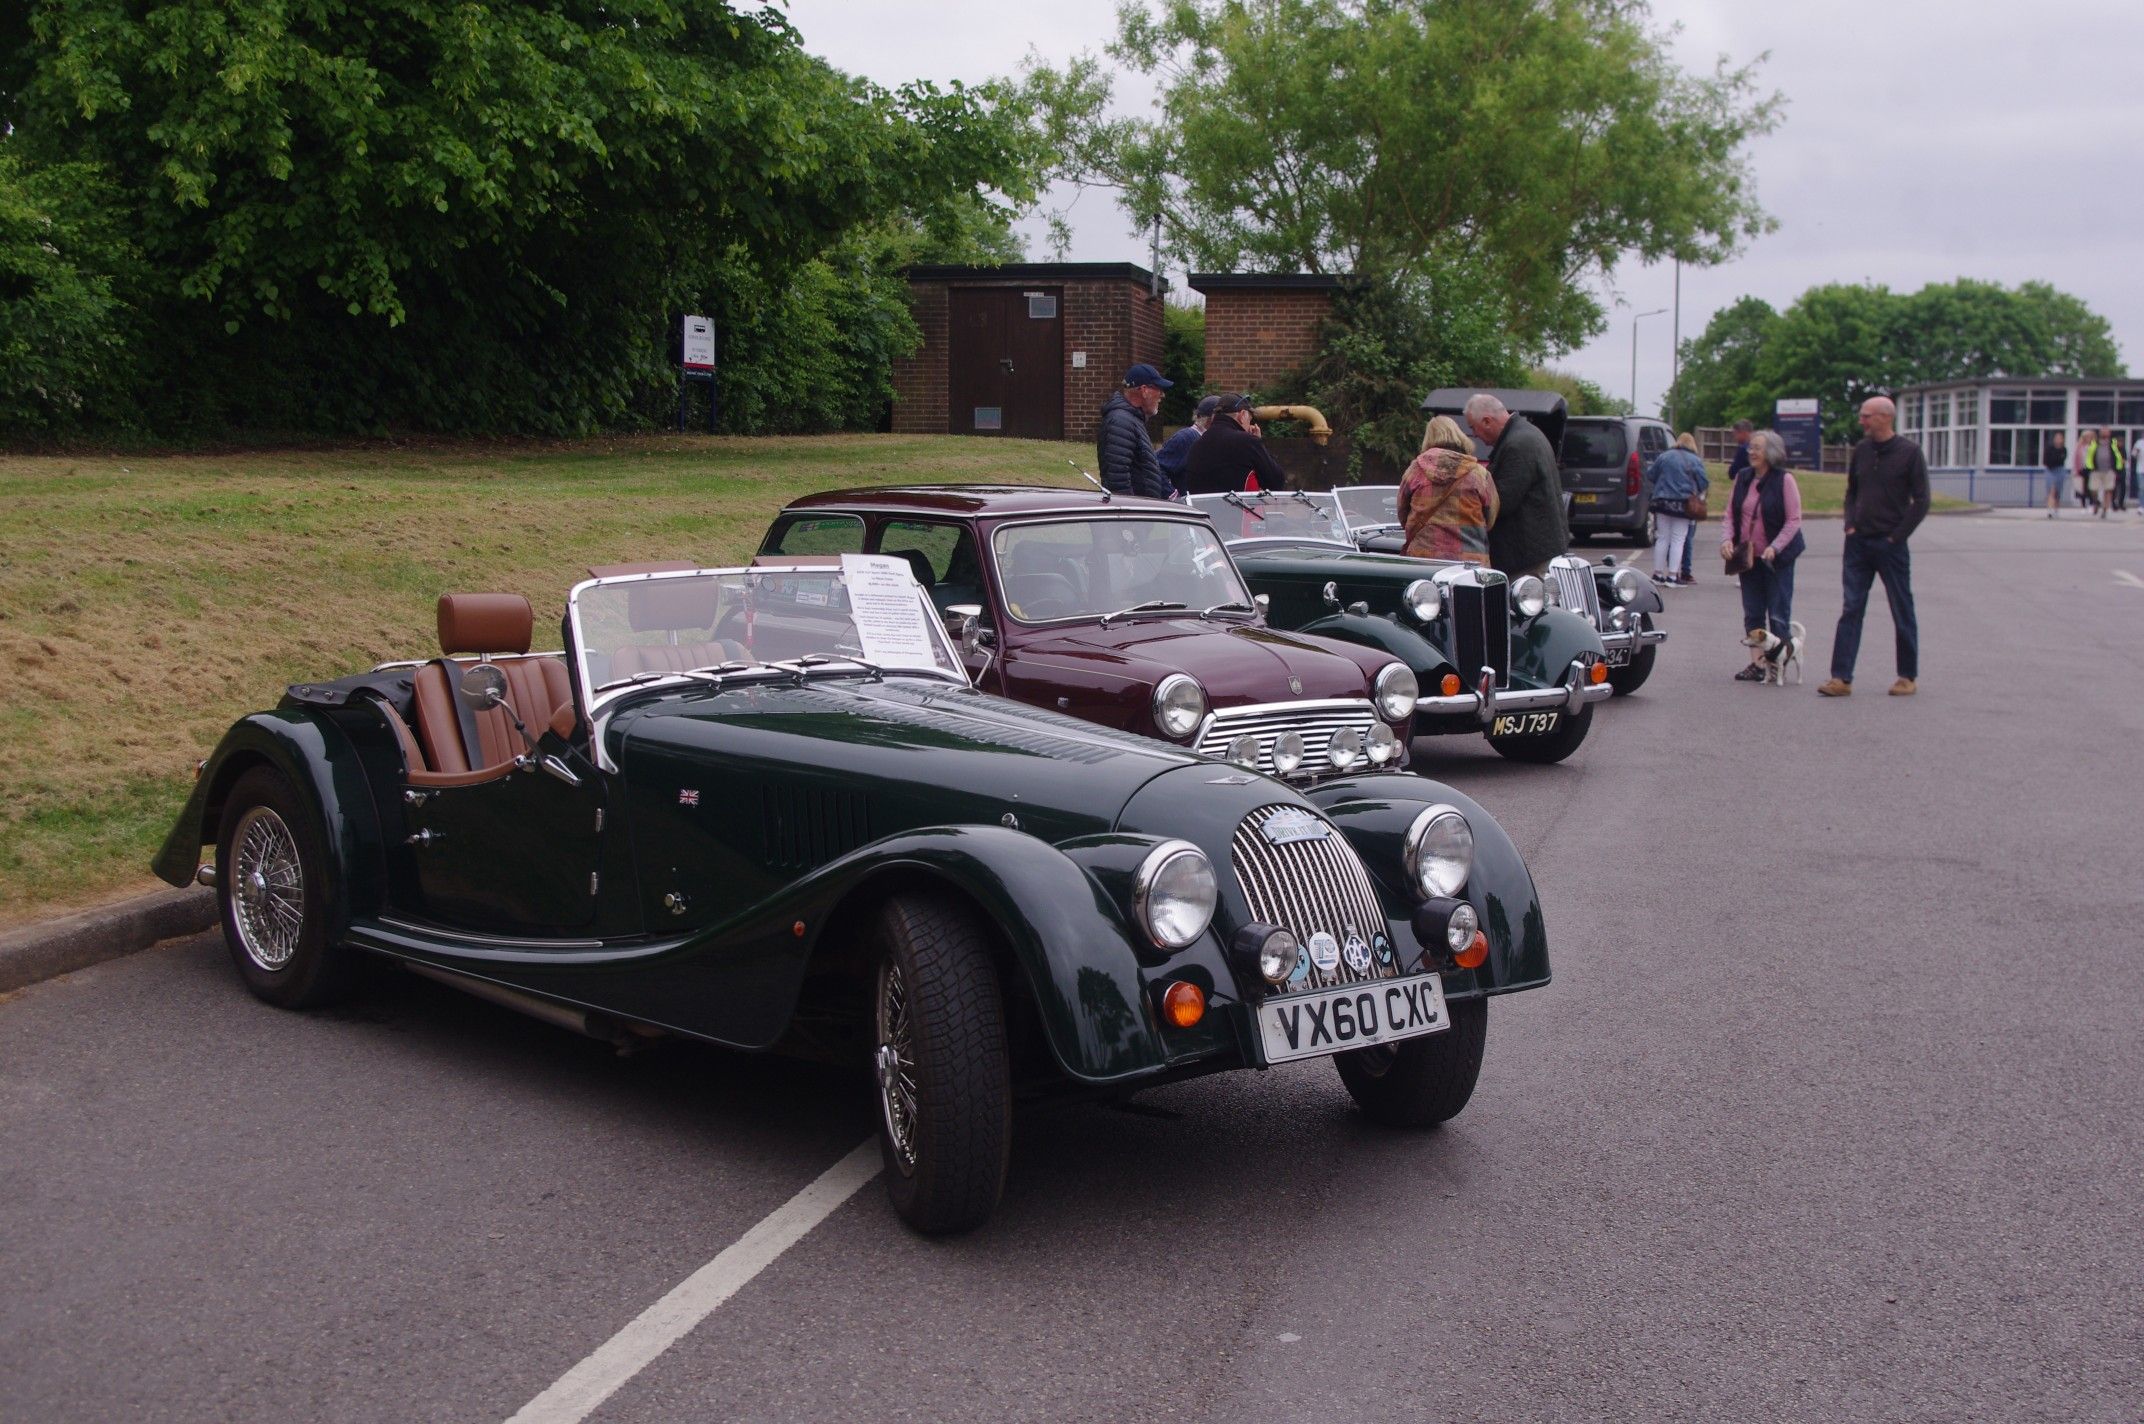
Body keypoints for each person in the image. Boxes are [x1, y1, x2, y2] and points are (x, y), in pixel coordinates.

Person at [1819, 396, 1928, 698]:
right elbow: (1851, 491)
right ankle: (1841, 677)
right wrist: (1850, 524)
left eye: (1866, 416)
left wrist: (1897, 536)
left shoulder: (1910, 453)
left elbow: (1922, 501)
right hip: (1858, 543)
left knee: (1901, 606)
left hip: (1890, 544)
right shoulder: (1863, 450)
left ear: (1884, 417)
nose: (1861, 421)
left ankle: (1907, 675)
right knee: (1851, 607)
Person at [1722, 430, 1805, 681]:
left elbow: (1793, 520)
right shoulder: (1743, 478)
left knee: (1778, 612)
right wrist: (1727, 539)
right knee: (1753, 611)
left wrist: (1775, 547)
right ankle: (1757, 665)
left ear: (1771, 452)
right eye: (1750, 448)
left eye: (1757, 448)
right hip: (1748, 557)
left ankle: (1779, 664)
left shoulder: (1784, 480)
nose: (1752, 452)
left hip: (1777, 558)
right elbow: (1729, 514)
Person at [1463, 393, 1568, 577]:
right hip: (1537, 548)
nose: (1474, 435)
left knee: (1520, 605)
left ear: (1487, 421)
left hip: (1526, 555)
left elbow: (1501, 502)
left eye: (1474, 428)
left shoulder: (1517, 445)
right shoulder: (1526, 434)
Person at [1396, 415, 1500, 564]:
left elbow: (1402, 513)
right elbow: (1490, 518)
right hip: (1470, 563)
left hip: (1422, 560)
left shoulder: (1415, 470)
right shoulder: (1479, 474)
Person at [1182, 393, 1289, 495]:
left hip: (1203, 512)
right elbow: (1276, 483)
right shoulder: (1248, 442)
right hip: (1238, 512)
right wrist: (1259, 444)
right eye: (1250, 419)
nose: (1250, 425)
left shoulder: (1196, 446)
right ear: (1242, 415)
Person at [1096, 363, 1174, 500]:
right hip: (1132, 514)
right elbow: (1117, 479)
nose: (1162, 395)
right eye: (1159, 389)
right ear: (1144, 390)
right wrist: (1133, 513)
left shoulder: (1132, 420)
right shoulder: (1121, 422)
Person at [1646, 432, 1710, 587]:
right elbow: (1703, 482)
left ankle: (1658, 574)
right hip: (1683, 504)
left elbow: (1651, 475)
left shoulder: (1664, 456)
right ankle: (1673, 576)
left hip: (1662, 503)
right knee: (1678, 540)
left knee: (1662, 538)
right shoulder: (1695, 460)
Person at [1156, 395, 1220, 497]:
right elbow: (1157, 467)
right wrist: (1173, 496)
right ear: (1212, 419)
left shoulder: (1206, 439)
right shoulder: (1186, 438)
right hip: (1187, 508)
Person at [2079, 427, 2124, 519]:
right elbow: (2089, 455)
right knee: (2093, 489)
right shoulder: (2094, 443)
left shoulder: (2113, 443)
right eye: (2103, 431)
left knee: (2108, 490)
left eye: (2106, 431)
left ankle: (2104, 510)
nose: (2104, 433)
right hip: (2096, 471)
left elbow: (2118, 456)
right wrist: (2089, 467)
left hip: (2109, 471)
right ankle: (2096, 502)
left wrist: (2118, 469)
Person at [2043, 431, 2068, 517]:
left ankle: (2056, 509)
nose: (2058, 440)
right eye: (2056, 438)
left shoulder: (2063, 449)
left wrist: (2055, 459)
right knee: (2051, 490)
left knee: (2057, 492)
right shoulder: (2049, 448)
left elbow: (2061, 460)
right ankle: (2050, 510)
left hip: (2059, 470)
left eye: (2060, 438)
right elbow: (2046, 459)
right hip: (2050, 470)